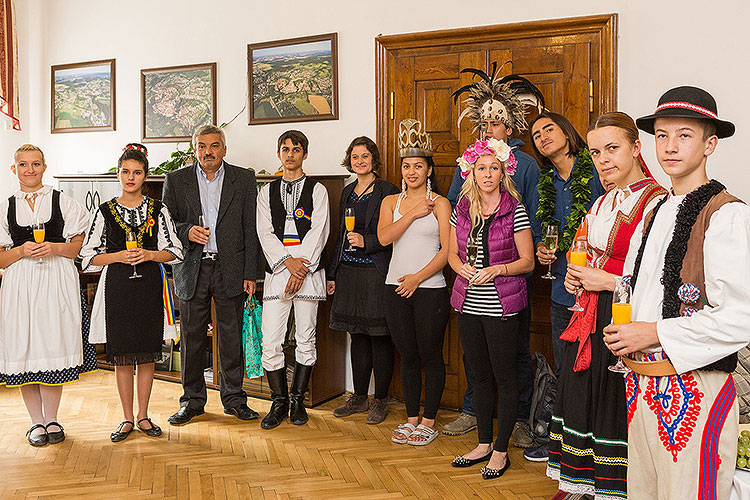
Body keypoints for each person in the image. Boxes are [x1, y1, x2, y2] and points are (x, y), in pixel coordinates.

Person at [603, 86, 750, 500]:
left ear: (710, 144)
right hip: (643, 381)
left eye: (684, 135)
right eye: (662, 136)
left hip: (697, 392)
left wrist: (655, 332)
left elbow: (741, 316)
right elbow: (641, 285)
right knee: (645, 493)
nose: (669, 146)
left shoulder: (726, 215)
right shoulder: (656, 208)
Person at [547, 113, 666, 498]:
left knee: (614, 404)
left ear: (635, 148)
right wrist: (572, 276)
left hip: (627, 322)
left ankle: (618, 489)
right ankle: (586, 482)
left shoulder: (658, 204)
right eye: (596, 151)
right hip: (589, 316)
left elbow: (663, 279)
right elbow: (582, 251)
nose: (604, 159)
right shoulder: (602, 202)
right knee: (585, 398)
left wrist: (612, 282)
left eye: (613, 148)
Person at [444, 63, 544, 447]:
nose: (488, 128)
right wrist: (461, 261)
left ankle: (517, 420)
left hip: (511, 280)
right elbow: (456, 213)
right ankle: (476, 416)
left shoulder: (527, 167)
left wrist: (513, 260)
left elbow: (533, 222)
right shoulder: (466, 165)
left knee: (514, 356)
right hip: (471, 286)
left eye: (496, 121)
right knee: (477, 361)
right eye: (483, 122)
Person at [80, 143, 183, 442]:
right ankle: (126, 418)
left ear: (145, 176)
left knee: (146, 355)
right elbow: (87, 256)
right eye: (125, 172)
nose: (130, 177)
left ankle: (143, 416)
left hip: (150, 286)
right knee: (123, 356)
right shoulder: (104, 211)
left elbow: (174, 250)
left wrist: (150, 256)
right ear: (118, 174)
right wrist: (118, 257)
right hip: (118, 288)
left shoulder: (158, 209)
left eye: (137, 172)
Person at [448, 138, 535, 478]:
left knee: (505, 375)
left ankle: (500, 450)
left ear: (503, 172)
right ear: (471, 171)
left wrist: (499, 269)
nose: (487, 174)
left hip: (502, 305)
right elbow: (452, 252)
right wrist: (458, 267)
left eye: (493, 168)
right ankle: (483, 443)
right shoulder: (462, 207)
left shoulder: (515, 208)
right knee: (478, 375)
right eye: (481, 168)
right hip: (467, 303)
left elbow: (527, 262)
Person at [162, 125, 260, 425]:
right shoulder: (176, 180)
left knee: (231, 337)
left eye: (214, 146)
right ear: (195, 150)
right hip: (192, 266)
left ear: (224, 149)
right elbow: (167, 224)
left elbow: (250, 228)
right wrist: (186, 231)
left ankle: (234, 399)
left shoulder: (243, 178)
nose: (208, 151)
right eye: (202, 146)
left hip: (230, 268)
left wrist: (251, 274)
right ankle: (192, 402)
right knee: (192, 337)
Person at [0, 144, 95, 446]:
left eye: (36, 164)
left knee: (53, 344)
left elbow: (79, 245)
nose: (30, 170)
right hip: (20, 285)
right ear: (14, 169)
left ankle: (52, 419)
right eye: (23, 164)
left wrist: (55, 248)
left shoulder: (62, 201)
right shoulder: (5, 207)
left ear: (44, 166)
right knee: (24, 349)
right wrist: (18, 251)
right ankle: (35, 423)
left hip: (56, 281)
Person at [524, 111, 606, 462]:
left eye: (549, 129)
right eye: (536, 134)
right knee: (565, 368)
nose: (542, 136)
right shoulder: (544, 182)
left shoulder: (599, 169)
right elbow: (541, 231)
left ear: (567, 132)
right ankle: (562, 442)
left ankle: (599, 447)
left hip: (601, 291)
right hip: (561, 290)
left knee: (600, 371)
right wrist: (542, 248)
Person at [378, 119, 451, 446]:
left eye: (418, 166)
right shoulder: (391, 203)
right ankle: (410, 419)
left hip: (430, 290)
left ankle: (429, 421)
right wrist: (412, 213)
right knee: (407, 356)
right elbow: (383, 238)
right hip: (394, 289)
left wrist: (419, 278)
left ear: (429, 169)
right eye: (406, 166)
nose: (411, 172)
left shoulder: (442, 204)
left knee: (430, 355)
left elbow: (448, 252)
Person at [256, 130, 330, 429]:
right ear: (278, 154)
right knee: (271, 340)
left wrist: (301, 268)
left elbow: (319, 230)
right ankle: (279, 401)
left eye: (296, 149)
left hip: (308, 274)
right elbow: (265, 232)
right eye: (284, 149)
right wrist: (288, 264)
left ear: (305, 154)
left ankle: (298, 400)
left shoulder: (318, 190)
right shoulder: (266, 192)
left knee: (305, 338)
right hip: (278, 273)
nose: (290, 154)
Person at [326, 136, 399, 424]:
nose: (359, 161)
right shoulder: (347, 192)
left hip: (376, 271)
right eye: (355, 157)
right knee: (356, 335)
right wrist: (332, 273)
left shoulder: (387, 190)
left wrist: (366, 241)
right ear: (350, 160)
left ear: (373, 159)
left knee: (380, 336)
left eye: (364, 156)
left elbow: (393, 234)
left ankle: (380, 401)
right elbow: (341, 236)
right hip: (348, 271)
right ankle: (358, 397)